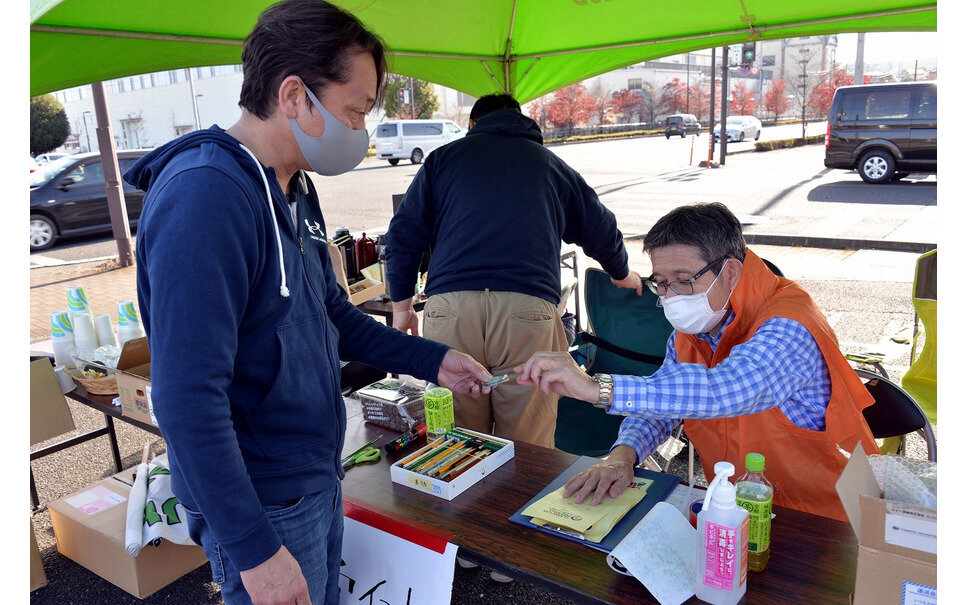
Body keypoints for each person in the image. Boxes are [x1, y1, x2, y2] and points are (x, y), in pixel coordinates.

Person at [123, 2, 491, 603]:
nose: (360, 130)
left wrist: (432, 360)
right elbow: (187, 396)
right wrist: (256, 551)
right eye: (355, 110)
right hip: (261, 496)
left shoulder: (294, 187)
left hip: (312, 472)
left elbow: (334, 316)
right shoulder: (206, 196)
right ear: (294, 94)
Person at [515, 203, 879, 521]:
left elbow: (727, 389)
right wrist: (622, 456)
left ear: (731, 272)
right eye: (661, 282)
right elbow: (666, 401)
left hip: (828, 518)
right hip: (742, 508)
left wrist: (599, 388)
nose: (672, 296)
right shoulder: (692, 331)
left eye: (684, 281)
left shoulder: (789, 324)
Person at [384, 93, 641, 449]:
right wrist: (622, 273)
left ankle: (461, 503)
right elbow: (600, 227)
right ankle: (516, 505)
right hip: (527, 314)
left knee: (456, 443)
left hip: (450, 311)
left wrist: (401, 308)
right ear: (520, 120)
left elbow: (402, 236)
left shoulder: (442, 160)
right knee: (527, 449)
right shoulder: (550, 164)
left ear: (473, 125)